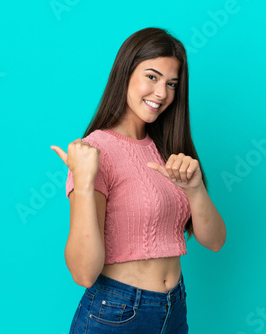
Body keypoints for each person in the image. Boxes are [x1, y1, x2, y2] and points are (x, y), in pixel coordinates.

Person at [50, 27, 226, 334]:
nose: (162, 93)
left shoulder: (169, 148)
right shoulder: (96, 151)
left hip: (174, 306)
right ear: (125, 73)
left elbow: (215, 241)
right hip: (117, 313)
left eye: (172, 84)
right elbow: (83, 273)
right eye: (153, 77)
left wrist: (195, 190)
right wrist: (85, 183)